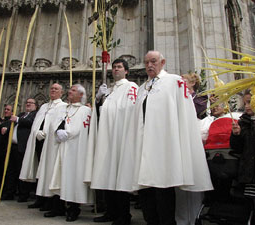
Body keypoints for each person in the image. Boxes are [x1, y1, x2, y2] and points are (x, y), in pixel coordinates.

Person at [129, 51, 213, 225]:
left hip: (164, 145)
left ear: (163, 62)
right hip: (144, 145)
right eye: (146, 63)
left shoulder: (174, 82)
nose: (149, 65)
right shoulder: (143, 88)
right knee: (145, 191)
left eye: (153, 61)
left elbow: (185, 114)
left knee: (163, 188)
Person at [84, 58, 138, 225]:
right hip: (107, 137)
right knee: (106, 174)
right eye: (114, 67)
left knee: (120, 176)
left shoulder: (131, 87)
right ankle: (110, 212)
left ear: (126, 71)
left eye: (119, 67)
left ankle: (124, 215)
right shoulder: (110, 90)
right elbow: (101, 115)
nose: (116, 70)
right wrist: (99, 99)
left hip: (121, 137)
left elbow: (131, 111)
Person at [19, 83, 67, 213]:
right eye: (51, 88)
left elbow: (58, 124)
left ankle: (49, 200)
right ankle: (40, 198)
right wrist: (36, 132)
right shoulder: (44, 106)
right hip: (38, 141)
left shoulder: (63, 107)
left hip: (50, 143)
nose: (53, 90)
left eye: (56, 89)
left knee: (49, 171)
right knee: (39, 171)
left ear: (61, 93)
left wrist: (46, 133)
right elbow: (37, 123)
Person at [49, 84, 93, 222]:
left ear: (81, 95)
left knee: (73, 179)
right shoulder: (62, 108)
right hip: (60, 146)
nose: (69, 92)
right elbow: (54, 123)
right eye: (70, 89)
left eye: (73, 90)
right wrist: (57, 131)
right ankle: (58, 207)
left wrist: (67, 133)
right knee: (58, 176)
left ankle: (73, 209)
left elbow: (82, 127)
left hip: (76, 149)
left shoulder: (85, 110)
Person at [0, 98, 38, 201]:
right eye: (27, 102)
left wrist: (17, 119)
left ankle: (23, 194)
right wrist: (5, 128)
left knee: (22, 171)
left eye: (31, 103)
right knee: (11, 171)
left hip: (23, 147)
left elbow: (30, 123)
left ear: (36, 106)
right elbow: (9, 123)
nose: (28, 104)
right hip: (12, 147)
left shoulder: (35, 115)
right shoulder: (21, 114)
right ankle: (9, 193)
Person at [230, 90, 255, 205]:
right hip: (250, 173)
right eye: (245, 103)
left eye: (249, 102)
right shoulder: (243, 122)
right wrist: (236, 135)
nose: (247, 106)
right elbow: (237, 148)